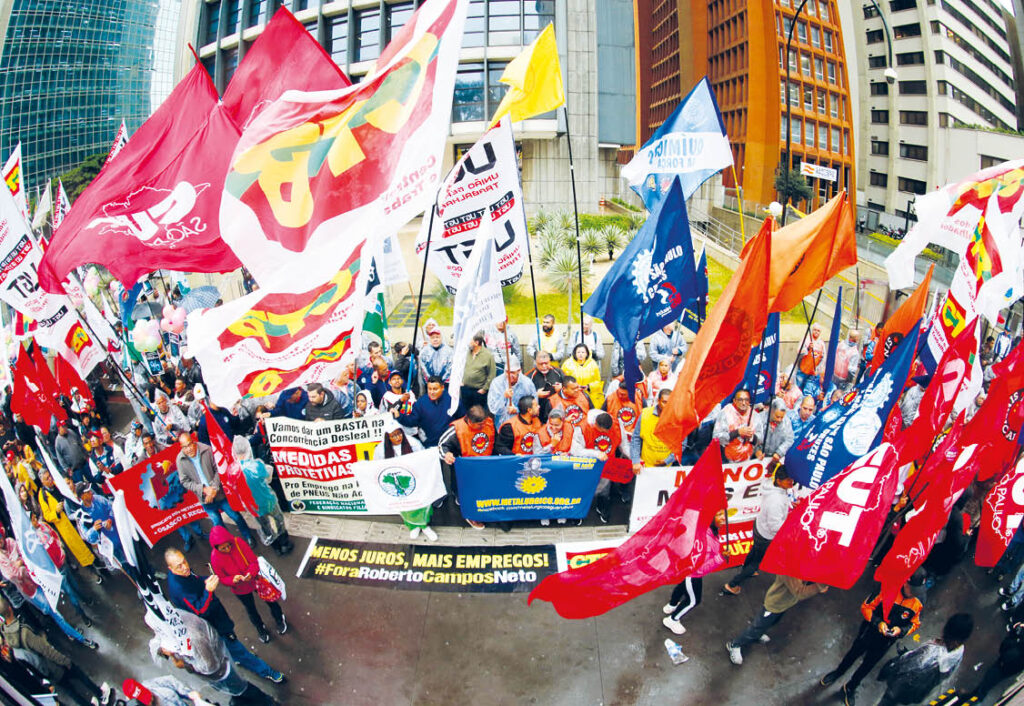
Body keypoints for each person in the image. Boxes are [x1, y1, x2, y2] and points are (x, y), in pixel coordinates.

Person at [163, 548, 285, 684]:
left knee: (233, 649)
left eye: (184, 561)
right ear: (170, 568)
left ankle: (237, 657)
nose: (185, 567)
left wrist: (207, 580)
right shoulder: (179, 589)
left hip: (217, 618)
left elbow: (197, 582)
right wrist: (208, 591)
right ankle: (267, 671)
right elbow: (199, 611)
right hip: (212, 627)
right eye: (179, 566)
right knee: (237, 649)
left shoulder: (183, 575)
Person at [149, 606, 280, 704]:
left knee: (244, 690)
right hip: (220, 663)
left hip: (222, 671)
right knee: (240, 692)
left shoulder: (193, 639)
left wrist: (180, 661)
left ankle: (268, 702)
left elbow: (209, 667)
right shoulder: (176, 622)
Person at [820, 584, 923, 705]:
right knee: (853, 654)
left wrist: (900, 630)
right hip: (869, 632)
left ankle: (850, 687)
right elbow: (866, 607)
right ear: (906, 582)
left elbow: (914, 624)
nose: (913, 593)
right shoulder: (886, 589)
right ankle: (839, 671)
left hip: (886, 641)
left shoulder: (917, 603)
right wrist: (878, 622)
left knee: (868, 665)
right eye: (912, 589)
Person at [0, 595, 105, 706]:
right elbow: (46, 650)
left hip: (45, 671)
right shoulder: (24, 633)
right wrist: (65, 661)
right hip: (55, 666)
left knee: (71, 691)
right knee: (79, 675)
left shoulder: (7, 636)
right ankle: (100, 694)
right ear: (10, 607)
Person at [721, 465, 795, 595]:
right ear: (778, 481)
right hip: (767, 535)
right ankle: (732, 584)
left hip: (760, 527)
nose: (791, 482)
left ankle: (746, 568)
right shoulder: (776, 501)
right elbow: (775, 526)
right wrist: (790, 526)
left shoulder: (772, 489)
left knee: (755, 551)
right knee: (757, 562)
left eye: (791, 479)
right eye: (788, 480)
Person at [725, 574, 829, 665]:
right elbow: (799, 592)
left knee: (771, 623)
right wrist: (819, 586)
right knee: (757, 627)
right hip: (774, 605)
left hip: (784, 604)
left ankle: (757, 635)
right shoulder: (791, 566)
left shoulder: (802, 563)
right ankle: (734, 644)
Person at [209, 526, 287, 644]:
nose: (227, 549)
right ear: (216, 547)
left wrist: (251, 573)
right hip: (240, 588)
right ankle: (260, 628)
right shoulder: (215, 558)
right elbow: (222, 578)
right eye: (223, 548)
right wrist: (232, 580)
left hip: (255, 579)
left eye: (228, 545)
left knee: (270, 600)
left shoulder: (238, 542)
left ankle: (279, 618)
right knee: (251, 609)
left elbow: (253, 561)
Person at [176, 433, 256, 547]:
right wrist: (203, 489)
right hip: (205, 499)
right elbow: (184, 481)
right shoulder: (180, 460)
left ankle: (247, 536)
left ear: (194, 442)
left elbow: (219, 469)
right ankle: (227, 543)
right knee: (218, 524)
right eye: (185, 447)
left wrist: (213, 488)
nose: (188, 449)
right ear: (181, 447)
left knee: (235, 516)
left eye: (190, 445)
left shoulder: (207, 450)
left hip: (220, 495)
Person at [875, 613, 973, 706]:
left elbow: (909, 665)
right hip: (917, 693)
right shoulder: (957, 654)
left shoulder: (934, 652)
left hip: (899, 687)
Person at [373, 418, 437, 541]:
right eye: (393, 436)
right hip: (396, 482)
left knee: (420, 503)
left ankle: (424, 526)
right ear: (388, 437)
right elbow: (378, 465)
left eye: (399, 433)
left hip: (414, 479)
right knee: (406, 506)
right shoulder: (380, 449)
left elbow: (423, 458)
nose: (397, 438)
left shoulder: (414, 443)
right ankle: (413, 526)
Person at [233, 437, 293, 556]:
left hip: (252, 506)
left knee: (265, 525)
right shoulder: (256, 465)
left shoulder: (233, 470)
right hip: (267, 500)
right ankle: (284, 543)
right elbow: (267, 477)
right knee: (278, 520)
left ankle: (275, 546)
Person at [438, 405, 494, 529]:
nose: (482, 427)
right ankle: (468, 511)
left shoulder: (488, 423)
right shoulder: (456, 430)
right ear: (469, 421)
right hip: (464, 470)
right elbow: (442, 445)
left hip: (484, 466)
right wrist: (446, 455)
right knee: (463, 492)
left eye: (483, 423)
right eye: (479, 425)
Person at [37, 468, 99, 580]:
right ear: (42, 482)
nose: (50, 479)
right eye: (47, 479)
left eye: (50, 476)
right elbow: (47, 516)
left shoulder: (57, 484)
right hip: (64, 524)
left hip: (74, 517)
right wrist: (56, 511)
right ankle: (93, 571)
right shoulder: (42, 495)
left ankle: (98, 562)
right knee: (79, 549)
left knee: (87, 540)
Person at [396, 376, 463, 447]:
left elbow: (462, 419)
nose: (432, 392)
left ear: (442, 388)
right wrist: (400, 416)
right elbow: (412, 421)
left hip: (451, 444)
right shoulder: (421, 403)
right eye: (429, 389)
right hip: (431, 445)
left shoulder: (453, 401)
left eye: (435, 389)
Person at [965, 621, 1024, 702]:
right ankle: (975, 695)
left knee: (988, 682)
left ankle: (976, 698)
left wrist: (1013, 635)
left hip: (1003, 667)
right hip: (1008, 667)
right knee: (987, 682)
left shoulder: (1016, 651)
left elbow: (1004, 649)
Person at [631, 389, 676, 472]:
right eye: (664, 402)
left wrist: (668, 460)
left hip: (667, 468)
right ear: (658, 401)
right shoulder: (645, 414)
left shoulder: (677, 417)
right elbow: (636, 438)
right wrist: (635, 461)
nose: (667, 406)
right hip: (644, 467)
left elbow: (681, 444)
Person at [487, 358, 538, 428]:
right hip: (502, 425)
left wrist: (517, 410)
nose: (509, 375)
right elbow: (493, 409)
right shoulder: (496, 383)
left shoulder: (527, 384)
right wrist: (504, 397)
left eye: (512, 372)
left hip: (523, 425)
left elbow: (534, 407)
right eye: (507, 372)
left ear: (519, 371)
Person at [54, 422, 102, 492]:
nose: (65, 428)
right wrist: (67, 469)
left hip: (83, 462)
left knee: (92, 480)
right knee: (81, 487)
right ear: (59, 428)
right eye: (63, 427)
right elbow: (60, 459)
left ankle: (99, 493)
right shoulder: (57, 442)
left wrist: (86, 454)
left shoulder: (71, 432)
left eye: (65, 426)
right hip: (74, 469)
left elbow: (80, 443)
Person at [714, 390, 759, 463]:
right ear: (734, 401)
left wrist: (751, 437)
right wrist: (737, 433)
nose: (744, 403)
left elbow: (760, 439)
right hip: (727, 461)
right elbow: (716, 438)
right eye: (740, 400)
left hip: (747, 461)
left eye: (746, 400)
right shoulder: (725, 413)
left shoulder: (754, 415)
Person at [460, 333, 496, 413]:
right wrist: (461, 381)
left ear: (476, 342)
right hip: (465, 390)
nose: (467, 343)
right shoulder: (466, 353)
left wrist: (484, 389)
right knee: (466, 413)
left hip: (478, 392)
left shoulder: (488, 355)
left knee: (479, 415)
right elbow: (461, 367)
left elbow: (492, 374)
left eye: (469, 340)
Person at [561, 344, 604, 409]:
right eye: (578, 352)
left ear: (587, 353)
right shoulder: (567, 364)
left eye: (583, 352)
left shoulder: (593, 364)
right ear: (574, 353)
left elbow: (598, 382)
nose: (580, 354)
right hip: (573, 395)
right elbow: (564, 381)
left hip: (590, 395)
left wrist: (589, 386)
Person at [526, 351, 563, 422]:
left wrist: (561, 389)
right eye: (541, 364)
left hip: (557, 411)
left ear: (550, 361)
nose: (544, 366)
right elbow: (524, 397)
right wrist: (536, 395)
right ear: (536, 363)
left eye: (546, 363)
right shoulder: (529, 376)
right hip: (539, 413)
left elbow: (570, 387)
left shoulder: (559, 372)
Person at [604, 382, 642, 446]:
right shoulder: (610, 398)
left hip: (633, 435)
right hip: (614, 433)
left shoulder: (639, 399)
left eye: (623, 394)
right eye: (619, 393)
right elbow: (602, 415)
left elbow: (645, 417)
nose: (620, 396)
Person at [795, 324, 826, 393]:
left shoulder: (822, 343)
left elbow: (823, 358)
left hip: (812, 373)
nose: (816, 332)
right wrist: (807, 348)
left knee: (807, 391)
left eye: (818, 331)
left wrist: (818, 370)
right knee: (797, 389)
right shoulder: (806, 339)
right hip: (802, 370)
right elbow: (798, 351)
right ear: (812, 330)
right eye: (815, 330)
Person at [420, 321, 453, 386]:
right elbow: (423, 368)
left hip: (445, 384)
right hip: (430, 384)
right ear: (430, 339)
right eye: (433, 338)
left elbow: (450, 368)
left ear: (441, 338)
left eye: (437, 337)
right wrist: (431, 381)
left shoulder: (449, 351)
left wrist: (441, 381)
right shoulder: (424, 351)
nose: (435, 340)